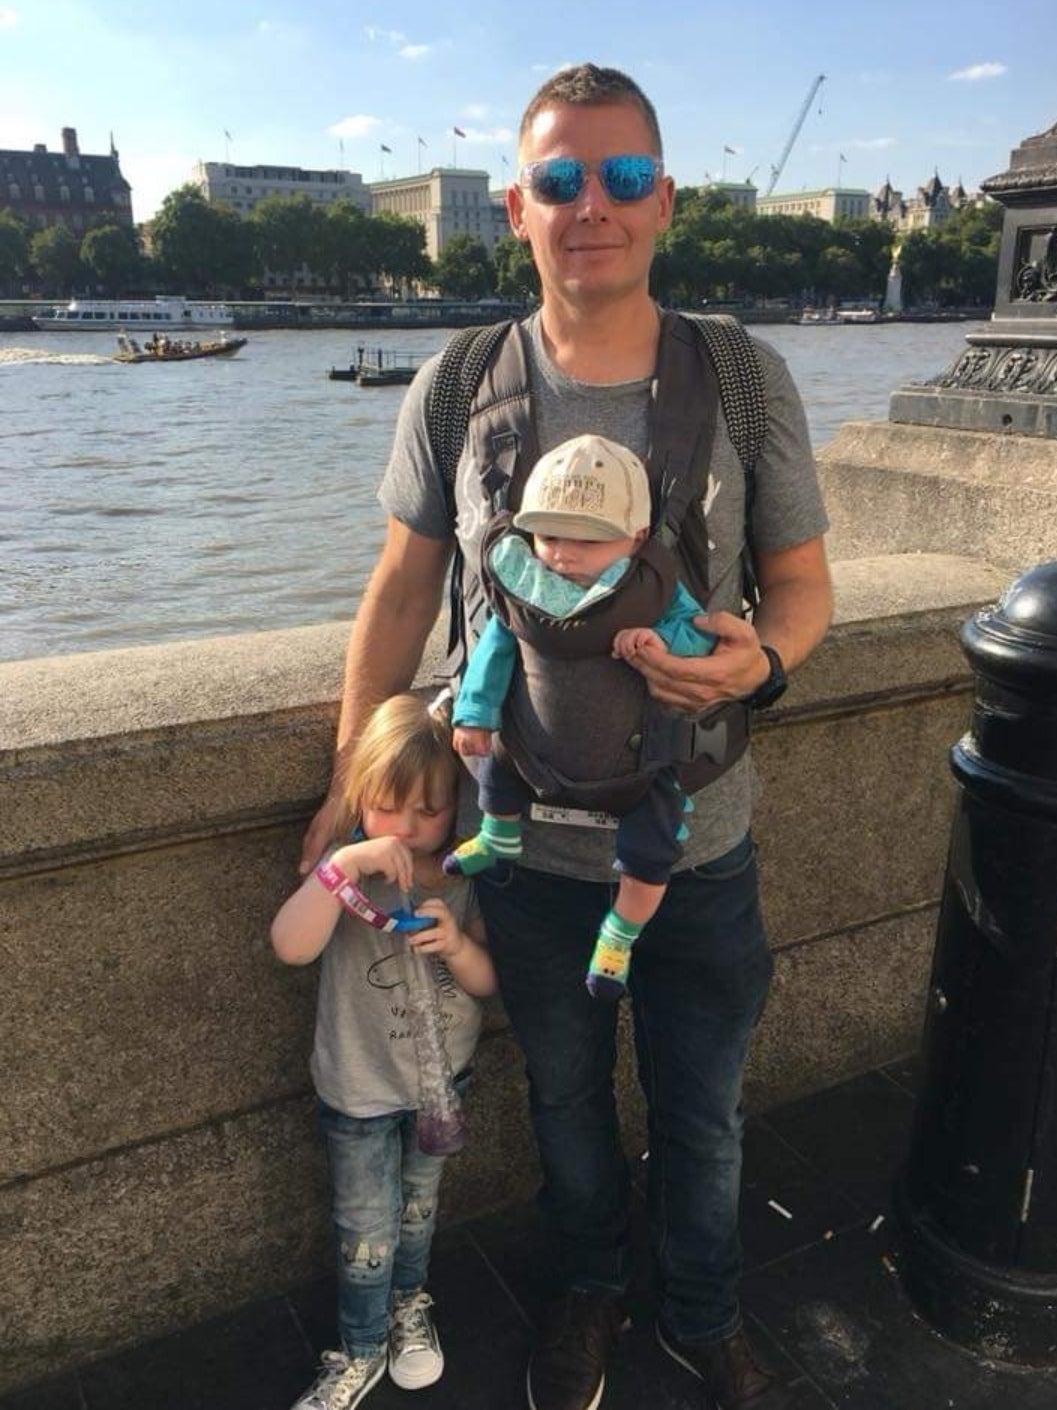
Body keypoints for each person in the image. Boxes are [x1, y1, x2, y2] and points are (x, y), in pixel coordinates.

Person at [301, 63, 833, 1410]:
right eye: (558, 180)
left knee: (705, 1111)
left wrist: (757, 661)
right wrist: (339, 781)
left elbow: (806, 583)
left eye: (622, 177)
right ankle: (589, 1290)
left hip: (698, 835)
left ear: (667, 204)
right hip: (520, 853)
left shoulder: (746, 375)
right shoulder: (459, 378)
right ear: (518, 208)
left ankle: (702, 1309)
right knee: (563, 1108)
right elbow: (403, 590)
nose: (590, 203)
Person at [275, 692, 496, 1410]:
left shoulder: (466, 877)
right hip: (359, 1090)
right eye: (387, 807)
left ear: (457, 805)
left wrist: (457, 945)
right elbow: (290, 945)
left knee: (416, 1211)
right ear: (360, 800)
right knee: (364, 1227)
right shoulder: (347, 878)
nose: (405, 827)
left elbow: (490, 981)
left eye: (427, 810)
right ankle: (361, 1346)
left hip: (440, 1083)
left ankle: (408, 1307)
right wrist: (341, 865)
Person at [442, 431, 717, 1002]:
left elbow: (700, 648)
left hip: (637, 764)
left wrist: (661, 647)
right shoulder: (522, 584)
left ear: (636, 537)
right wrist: (474, 713)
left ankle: (620, 934)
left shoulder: (654, 591)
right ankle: (500, 835)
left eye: (588, 541)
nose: (564, 553)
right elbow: (495, 650)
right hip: (533, 748)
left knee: (652, 852)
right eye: (547, 536)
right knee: (494, 760)